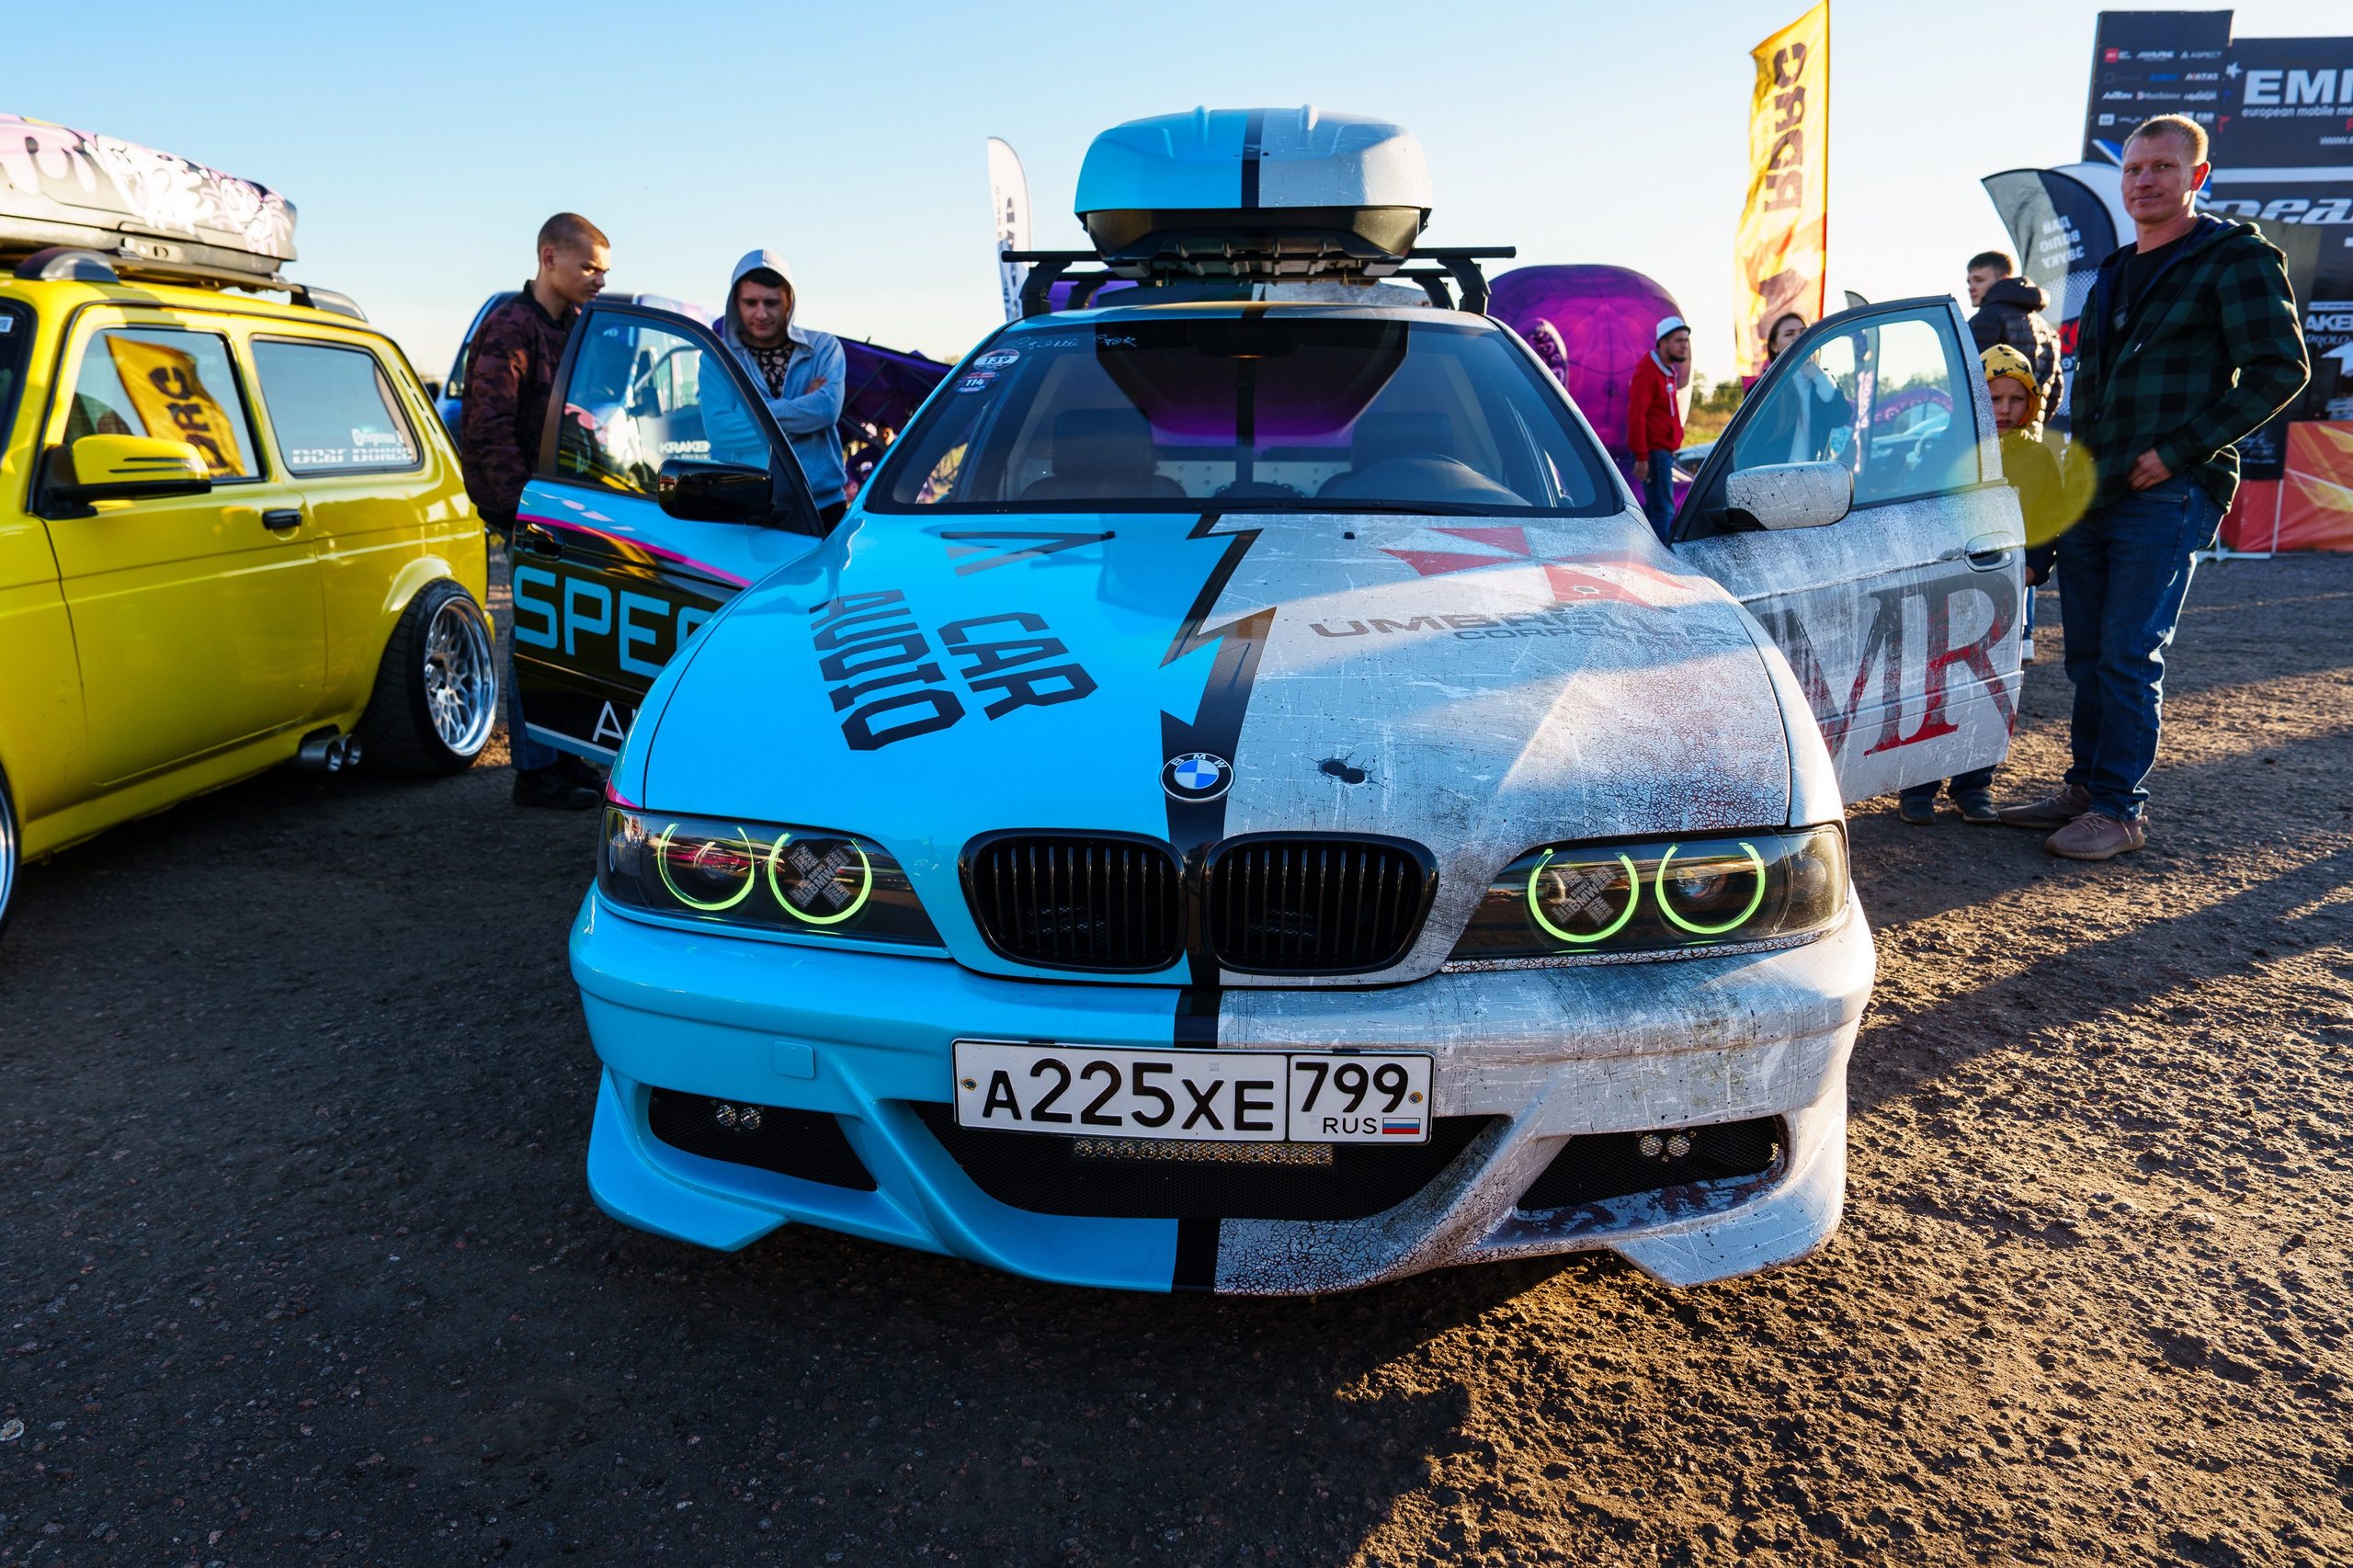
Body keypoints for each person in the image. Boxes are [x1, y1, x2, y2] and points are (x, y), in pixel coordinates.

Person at [1996, 116, 2307, 860]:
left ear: (2197, 177)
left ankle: (2119, 810)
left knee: (2131, 652)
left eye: (2163, 167)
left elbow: (2281, 369)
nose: (2145, 181)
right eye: (2135, 169)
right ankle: (2084, 787)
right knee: (2088, 654)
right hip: (2097, 490)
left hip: (2169, 490)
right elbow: (2089, 393)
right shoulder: (2109, 271)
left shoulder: (2234, 258)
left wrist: (2178, 451)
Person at [459, 212, 610, 811]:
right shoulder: (509, 328)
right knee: (537, 634)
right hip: (530, 512)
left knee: (566, 634)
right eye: (589, 266)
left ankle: (566, 753)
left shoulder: (576, 327)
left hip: (569, 508)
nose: (598, 278)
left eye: (604, 269)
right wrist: (525, 511)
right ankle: (536, 773)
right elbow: (487, 429)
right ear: (550, 259)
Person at [1898, 345, 2073, 825]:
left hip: (2005, 593)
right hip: (1946, 591)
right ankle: (1919, 784)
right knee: (1936, 683)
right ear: (1975, 398)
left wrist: (2033, 569)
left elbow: (2048, 522)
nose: (2005, 410)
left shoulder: (2037, 458)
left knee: (1989, 685)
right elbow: (1918, 512)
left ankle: (1974, 784)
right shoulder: (1945, 451)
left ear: (2032, 403)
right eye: (1994, 398)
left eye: (2017, 399)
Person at [715, 249, 849, 528]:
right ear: (735, 303)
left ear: (789, 301)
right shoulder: (718, 359)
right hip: (749, 505)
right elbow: (720, 432)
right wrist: (803, 405)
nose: (761, 313)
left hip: (822, 505)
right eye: (750, 302)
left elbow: (826, 411)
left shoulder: (824, 348)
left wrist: (749, 416)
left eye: (771, 302)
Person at [1965, 249, 2063, 435]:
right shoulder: (2048, 328)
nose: (1971, 287)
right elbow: (2056, 388)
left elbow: (1971, 381)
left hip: (1991, 437)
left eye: (1979, 280)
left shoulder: (1986, 318)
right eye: (1969, 282)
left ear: (2003, 280)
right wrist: (2033, 422)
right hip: (2031, 436)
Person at [1627, 315, 1688, 541]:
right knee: (1662, 509)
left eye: (1686, 340)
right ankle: (1658, 558)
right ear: (1662, 343)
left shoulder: (1666, 372)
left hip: (1662, 451)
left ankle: (1654, 553)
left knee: (1660, 508)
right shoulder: (1648, 372)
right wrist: (1641, 457)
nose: (1685, 345)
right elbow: (1636, 416)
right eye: (1678, 340)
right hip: (1654, 453)